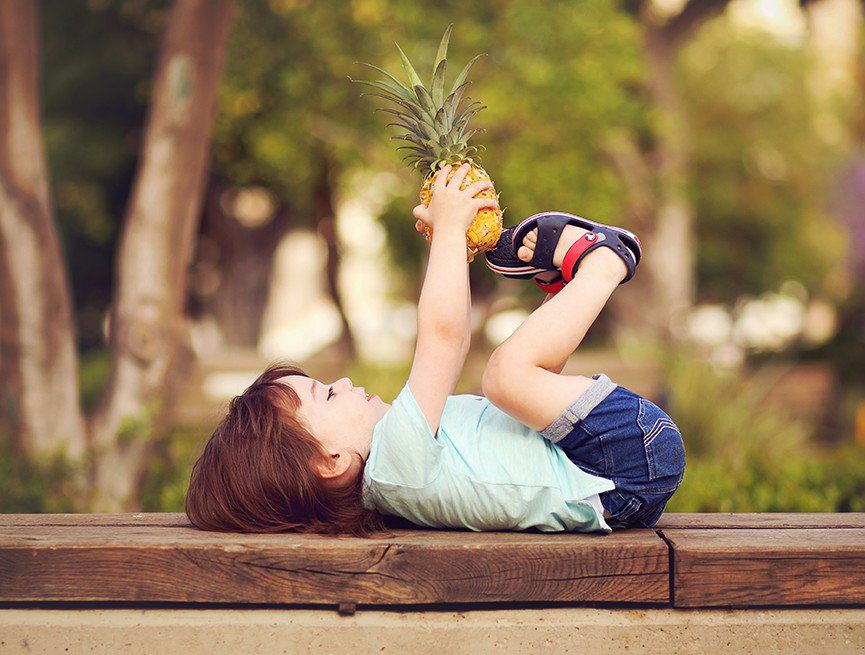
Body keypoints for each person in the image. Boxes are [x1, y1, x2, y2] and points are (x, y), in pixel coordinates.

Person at [185, 163, 684, 535]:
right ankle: (605, 262)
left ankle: (566, 292)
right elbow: (445, 337)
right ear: (331, 460)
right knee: (505, 378)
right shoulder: (394, 464)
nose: (343, 382)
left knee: (513, 392)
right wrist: (448, 232)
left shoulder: (396, 484)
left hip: (607, 472)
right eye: (327, 395)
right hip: (622, 463)